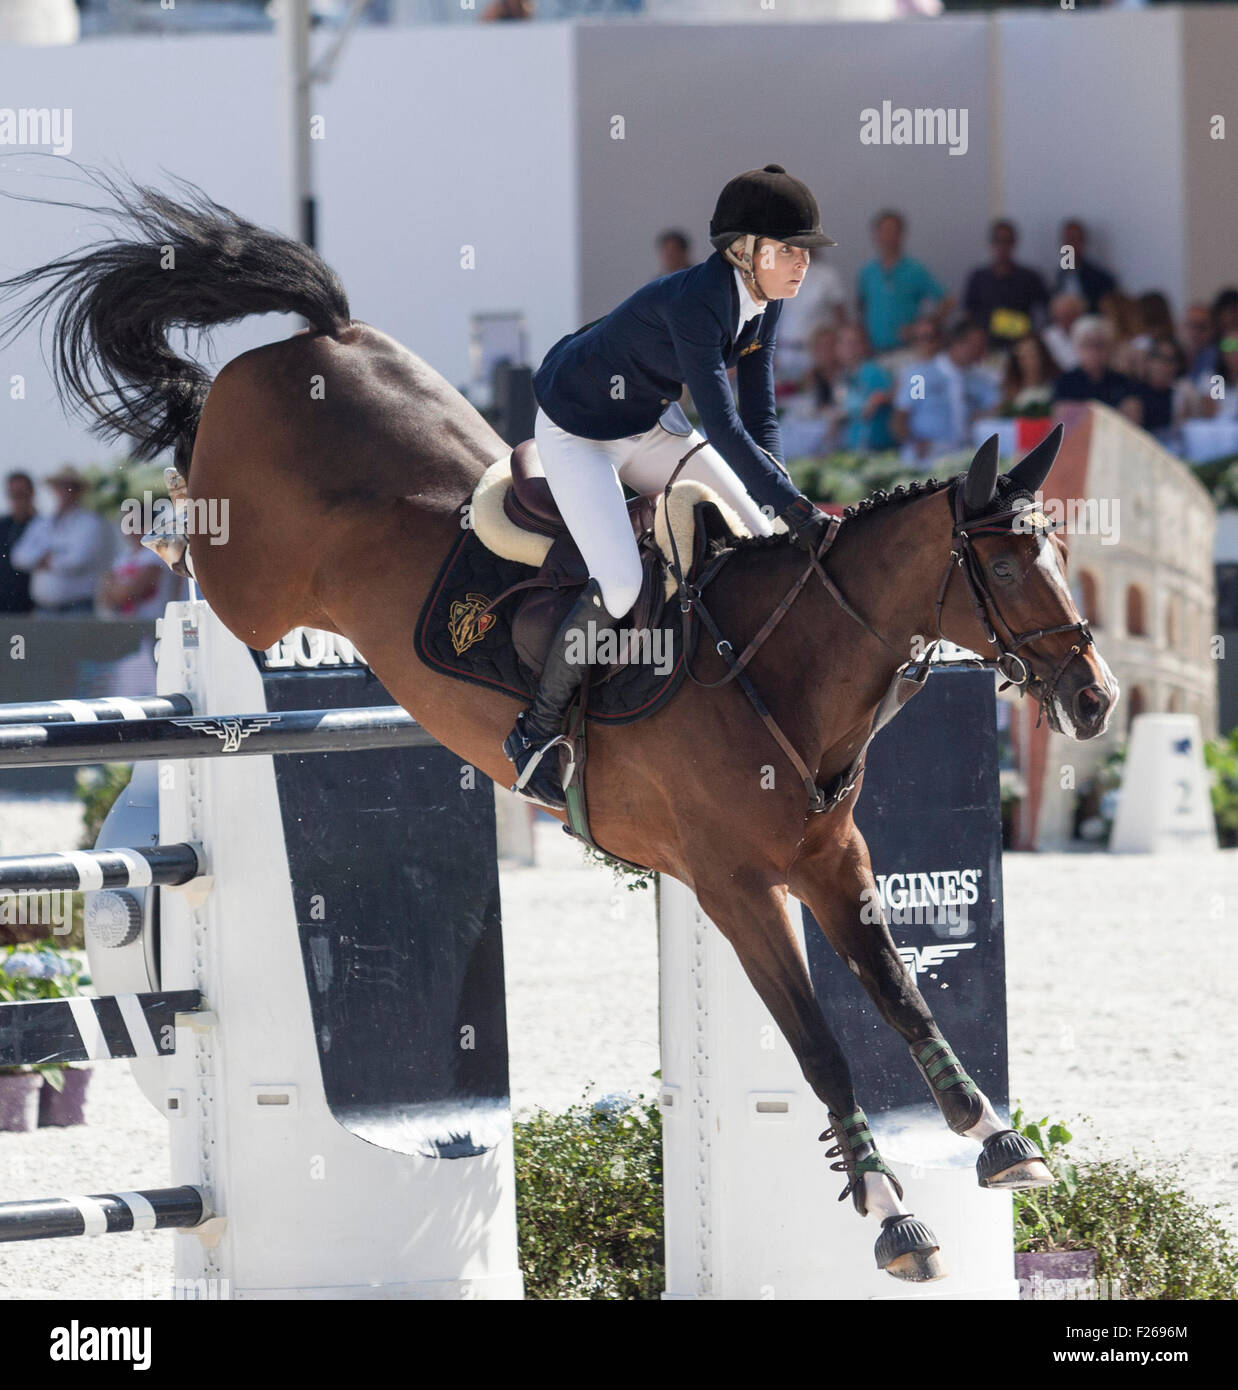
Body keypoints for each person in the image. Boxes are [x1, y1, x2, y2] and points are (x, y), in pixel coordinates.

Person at [514, 164, 836, 809]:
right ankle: (536, 732)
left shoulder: (765, 301)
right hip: (579, 432)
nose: (801, 263)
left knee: (763, 528)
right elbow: (719, 421)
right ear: (744, 252)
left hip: (650, 423)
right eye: (788, 250)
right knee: (623, 581)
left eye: (805, 251)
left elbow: (759, 412)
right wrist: (793, 507)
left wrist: (785, 500)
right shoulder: (699, 301)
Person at [892, 317, 999, 465]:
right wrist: (913, 441)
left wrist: (981, 415)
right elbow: (900, 417)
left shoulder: (979, 379)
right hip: (926, 457)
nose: (981, 351)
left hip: (964, 456)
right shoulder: (921, 375)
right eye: (976, 345)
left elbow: (997, 407)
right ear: (958, 343)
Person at [9, 465, 111, 616]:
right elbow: (18, 557)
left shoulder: (89, 522)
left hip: (77, 609)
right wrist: (49, 558)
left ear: (78, 490)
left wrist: (43, 560)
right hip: (43, 609)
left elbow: (78, 560)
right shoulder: (42, 522)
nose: (64, 491)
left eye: (69, 487)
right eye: (60, 486)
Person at [856, 210, 950, 354]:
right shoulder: (868, 272)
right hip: (874, 351)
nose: (888, 236)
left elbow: (948, 302)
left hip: (906, 350)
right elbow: (861, 308)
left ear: (901, 235)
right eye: (883, 231)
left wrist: (924, 326)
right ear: (876, 235)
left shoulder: (914, 270)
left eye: (892, 231)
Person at [962, 219, 1049, 349]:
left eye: (1007, 241)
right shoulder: (978, 277)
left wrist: (1031, 333)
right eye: (998, 241)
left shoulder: (1030, 277)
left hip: (1021, 349)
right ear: (991, 244)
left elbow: (1046, 311)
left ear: (1014, 243)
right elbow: (968, 314)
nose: (1002, 246)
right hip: (985, 349)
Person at [1052, 316, 1142, 423]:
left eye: (1100, 345)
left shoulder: (1123, 381)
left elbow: (1133, 419)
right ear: (1078, 348)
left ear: (1109, 348)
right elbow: (1061, 421)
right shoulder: (1065, 382)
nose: (1094, 351)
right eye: (1088, 345)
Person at [835, 323, 896, 453]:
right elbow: (843, 408)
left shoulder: (873, 371)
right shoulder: (843, 376)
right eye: (845, 343)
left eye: (854, 343)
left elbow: (893, 396)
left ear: (864, 346)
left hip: (878, 447)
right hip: (855, 447)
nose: (850, 349)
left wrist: (879, 398)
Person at [1054, 219, 1118, 312]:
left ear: (1083, 243)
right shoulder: (1060, 277)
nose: (1069, 246)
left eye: (1073, 240)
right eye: (1066, 241)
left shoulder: (1101, 279)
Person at [0, 470, 36, 614]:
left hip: (32, 608)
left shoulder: (42, 526)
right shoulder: (2, 526)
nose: (18, 500)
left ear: (31, 494)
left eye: (22, 494)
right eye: (13, 495)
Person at [1000, 333, 1059, 413]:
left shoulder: (1056, 384)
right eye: (1023, 357)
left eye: (1033, 355)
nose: (1029, 362)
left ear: (1042, 355)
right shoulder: (1009, 388)